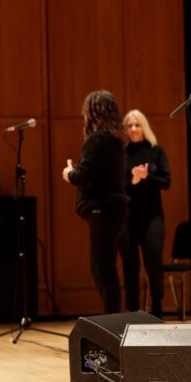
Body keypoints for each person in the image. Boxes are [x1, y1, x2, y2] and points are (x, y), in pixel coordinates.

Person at [62, 90, 129, 314]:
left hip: (102, 209)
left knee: (103, 270)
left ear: (91, 112)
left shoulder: (96, 139)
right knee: (106, 269)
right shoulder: (115, 139)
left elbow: (84, 176)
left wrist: (70, 173)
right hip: (117, 209)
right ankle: (113, 324)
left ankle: (112, 328)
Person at [119, 109, 170, 318]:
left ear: (144, 127)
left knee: (153, 261)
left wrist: (146, 177)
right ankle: (132, 311)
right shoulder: (122, 154)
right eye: (129, 126)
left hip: (152, 218)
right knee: (130, 265)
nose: (133, 129)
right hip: (128, 218)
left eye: (137, 125)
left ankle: (156, 308)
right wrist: (133, 181)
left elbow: (167, 182)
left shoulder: (156, 151)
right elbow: (118, 186)